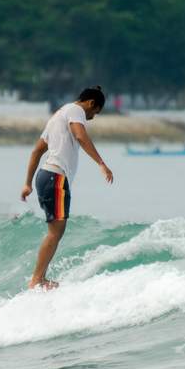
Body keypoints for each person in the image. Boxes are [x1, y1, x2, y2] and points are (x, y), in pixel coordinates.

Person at [20, 85, 114, 290]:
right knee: (56, 231)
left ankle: (40, 279)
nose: (92, 118)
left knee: (56, 230)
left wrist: (27, 183)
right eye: (95, 112)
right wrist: (101, 163)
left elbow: (36, 152)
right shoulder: (76, 110)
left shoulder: (57, 116)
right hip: (55, 176)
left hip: (45, 176)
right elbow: (80, 135)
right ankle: (37, 280)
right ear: (90, 103)